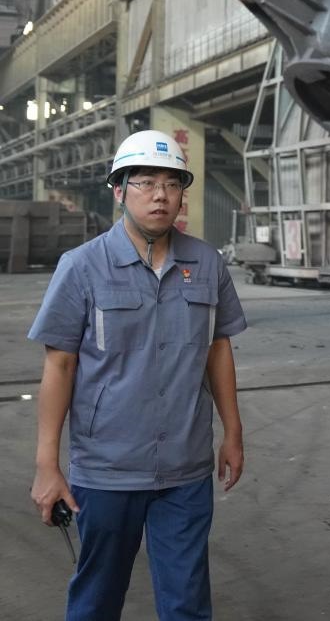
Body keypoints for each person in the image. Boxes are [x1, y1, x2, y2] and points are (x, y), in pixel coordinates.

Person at [29, 129, 247, 621]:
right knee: (97, 598)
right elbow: (60, 365)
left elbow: (218, 349)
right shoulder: (82, 267)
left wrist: (233, 433)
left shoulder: (207, 263)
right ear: (119, 190)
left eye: (171, 184)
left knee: (188, 602)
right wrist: (47, 464)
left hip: (185, 467)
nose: (160, 195)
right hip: (107, 469)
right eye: (146, 182)